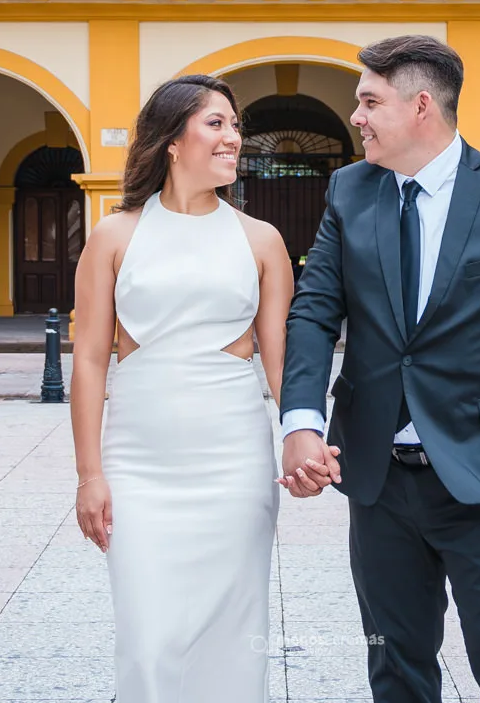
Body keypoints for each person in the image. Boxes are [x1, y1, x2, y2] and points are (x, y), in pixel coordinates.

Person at [279, 35, 480, 703]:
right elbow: (314, 313)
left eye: (370, 101)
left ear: (421, 105)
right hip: (378, 484)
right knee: (396, 671)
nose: (358, 117)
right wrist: (301, 422)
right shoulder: (348, 190)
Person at [69, 74, 295, 702]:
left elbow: (281, 365)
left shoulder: (262, 241)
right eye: (216, 123)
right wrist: (90, 476)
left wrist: (306, 438)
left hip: (235, 464)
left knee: (231, 636)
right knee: (146, 640)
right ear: (172, 140)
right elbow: (89, 360)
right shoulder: (114, 237)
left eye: (236, 125)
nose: (234, 138)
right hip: (140, 465)